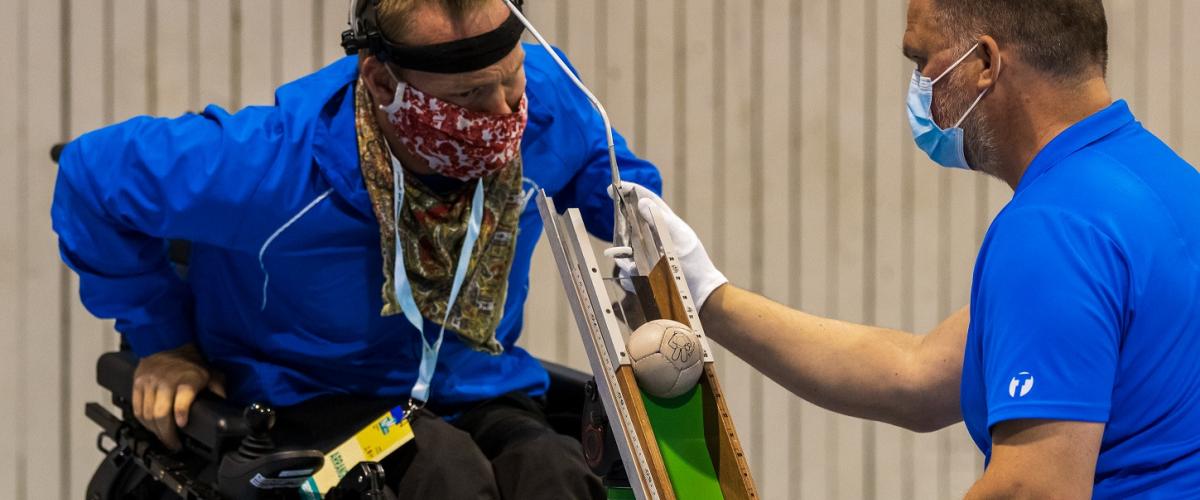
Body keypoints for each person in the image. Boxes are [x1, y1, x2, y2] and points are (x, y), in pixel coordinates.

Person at [51, 0, 661, 497]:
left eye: (511, 79)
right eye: (470, 97)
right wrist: (165, 341)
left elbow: (625, 191)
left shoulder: (546, 105)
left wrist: (653, 257)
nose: (504, 114)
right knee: (446, 476)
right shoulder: (268, 167)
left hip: (475, 383)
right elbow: (89, 177)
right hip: (313, 395)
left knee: (555, 477)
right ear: (381, 82)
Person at [619, 0, 1200, 497]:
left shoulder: (1055, 226)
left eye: (923, 61)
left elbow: (1034, 488)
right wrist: (707, 294)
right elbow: (917, 376)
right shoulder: (1163, 183)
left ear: (985, 64)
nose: (919, 87)